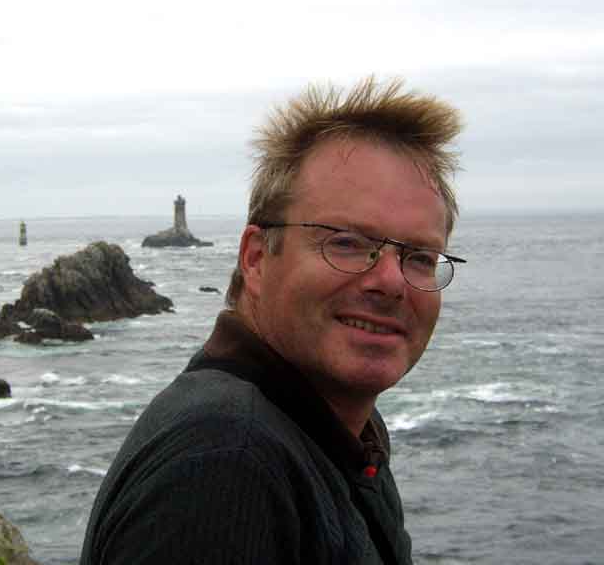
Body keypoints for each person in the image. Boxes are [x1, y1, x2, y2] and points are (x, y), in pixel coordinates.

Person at [80, 77, 464, 565]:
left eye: (420, 256)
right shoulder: (225, 464)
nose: (391, 281)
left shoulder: (336, 432)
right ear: (257, 258)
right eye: (345, 241)